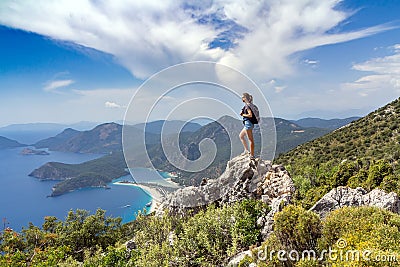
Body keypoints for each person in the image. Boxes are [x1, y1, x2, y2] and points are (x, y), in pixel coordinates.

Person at [239, 92, 258, 160]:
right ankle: (246, 150)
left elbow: (250, 115)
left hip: (248, 124)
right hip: (249, 124)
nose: (242, 98)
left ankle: (252, 155)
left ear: (245, 98)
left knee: (250, 140)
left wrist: (243, 115)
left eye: (242, 97)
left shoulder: (247, 106)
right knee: (241, 136)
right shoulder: (249, 105)